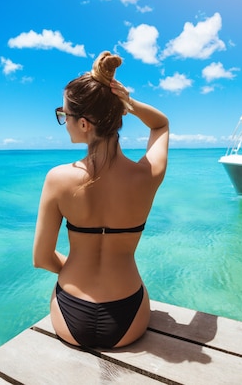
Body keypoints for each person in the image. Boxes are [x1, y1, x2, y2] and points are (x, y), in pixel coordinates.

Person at [32, 51, 169, 348]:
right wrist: (129, 103)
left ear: (83, 124)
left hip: (70, 315)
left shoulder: (57, 179)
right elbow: (160, 125)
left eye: (64, 115)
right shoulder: (147, 175)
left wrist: (78, 267)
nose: (63, 121)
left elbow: (41, 259)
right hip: (129, 318)